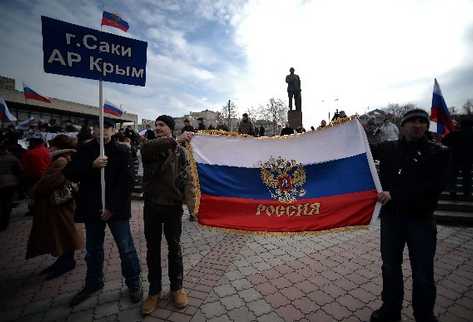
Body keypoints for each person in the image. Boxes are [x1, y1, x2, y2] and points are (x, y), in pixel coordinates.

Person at [370, 109, 450, 322]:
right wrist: (349, 129)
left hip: (421, 220)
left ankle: (424, 315)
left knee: (423, 273)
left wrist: (394, 194)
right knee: (390, 268)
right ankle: (390, 309)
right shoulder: (389, 149)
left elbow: (432, 188)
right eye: (413, 121)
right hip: (392, 221)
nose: (418, 125)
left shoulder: (438, 152)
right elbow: (362, 151)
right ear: (402, 125)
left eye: (422, 122)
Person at [64, 119, 142, 306]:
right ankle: (93, 283)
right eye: (98, 127)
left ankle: (133, 283)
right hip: (92, 209)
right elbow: (71, 173)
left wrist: (111, 208)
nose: (102, 131)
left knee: (126, 248)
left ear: (113, 130)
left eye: (106, 128)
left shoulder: (122, 150)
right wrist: (92, 165)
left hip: (116, 209)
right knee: (93, 250)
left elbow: (127, 182)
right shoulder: (85, 149)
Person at [141, 115, 195, 315]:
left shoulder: (181, 153)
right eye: (156, 125)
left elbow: (189, 181)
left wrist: (193, 208)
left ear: (170, 128)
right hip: (152, 206)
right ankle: (154, 291)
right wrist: (175, 140)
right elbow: (149, 149)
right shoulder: (149, 148)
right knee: (152, 249)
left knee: (175, 247)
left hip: (173, 208)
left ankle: (177, 288)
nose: (157, 128)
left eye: (161, 125)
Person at [26, 136, 83, 280]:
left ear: (59, 146)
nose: (50, 148)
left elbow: (49, 182)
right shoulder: (64, 158)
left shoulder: (61, 160)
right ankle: (63, 261)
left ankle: (66, 261)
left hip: (59, 204)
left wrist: (36, 189)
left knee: (63, 232)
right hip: (60, 204)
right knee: (63, 232)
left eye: (52, 146)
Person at [442, 118, 473, 199]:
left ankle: (452, 191)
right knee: (467, 176)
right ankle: (467, 192)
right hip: (468, 158)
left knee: (453, 176)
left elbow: (444, 141)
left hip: (455, 157)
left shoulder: (455, 134)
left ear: (461, 125)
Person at [0, 138, 22, 231]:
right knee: (7, 201)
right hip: (10, 182)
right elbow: (20, 169)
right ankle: (5, 221)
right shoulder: (12, 158)